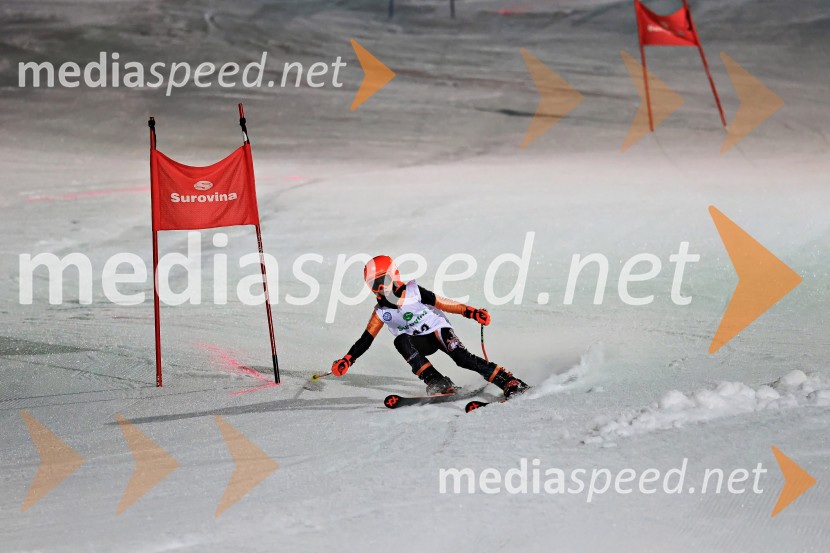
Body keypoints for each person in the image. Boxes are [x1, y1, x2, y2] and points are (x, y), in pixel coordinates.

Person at [330, 255, 529, 397]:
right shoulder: (381, 311)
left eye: (383, 280)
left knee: (461, 358)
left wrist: (471, 312)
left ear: (394, 275)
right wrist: (348, 359)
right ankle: (437, 381)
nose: (380, 288)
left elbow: (442, 303)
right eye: (374, 284)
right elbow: (366, 339)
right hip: (419, 341)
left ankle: (508, 380)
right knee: (400, 341)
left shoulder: (414, 291)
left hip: (438, 330)